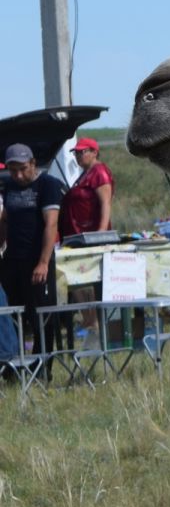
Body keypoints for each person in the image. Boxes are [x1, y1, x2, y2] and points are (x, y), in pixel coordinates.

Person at [2, 143, 63, 353]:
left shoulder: (48, 184)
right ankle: (15, 364)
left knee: (41, 316)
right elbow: (5, 221)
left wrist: (43, 262)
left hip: (37, 260)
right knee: (13, 314)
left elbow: (51, 224)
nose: (18, 175)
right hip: (13, 260)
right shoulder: (9, 186)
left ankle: (42, 365)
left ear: (33, 163)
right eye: (13, 170)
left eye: (23, 169)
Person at [59, 136, 114, 240]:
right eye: (76, 153)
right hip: (77, 233)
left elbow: (105, 203)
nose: (78, 156)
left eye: (82, 152)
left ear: (94, 152)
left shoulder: (100, 172)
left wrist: (101, 232)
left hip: (91, 235)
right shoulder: (85, 173)